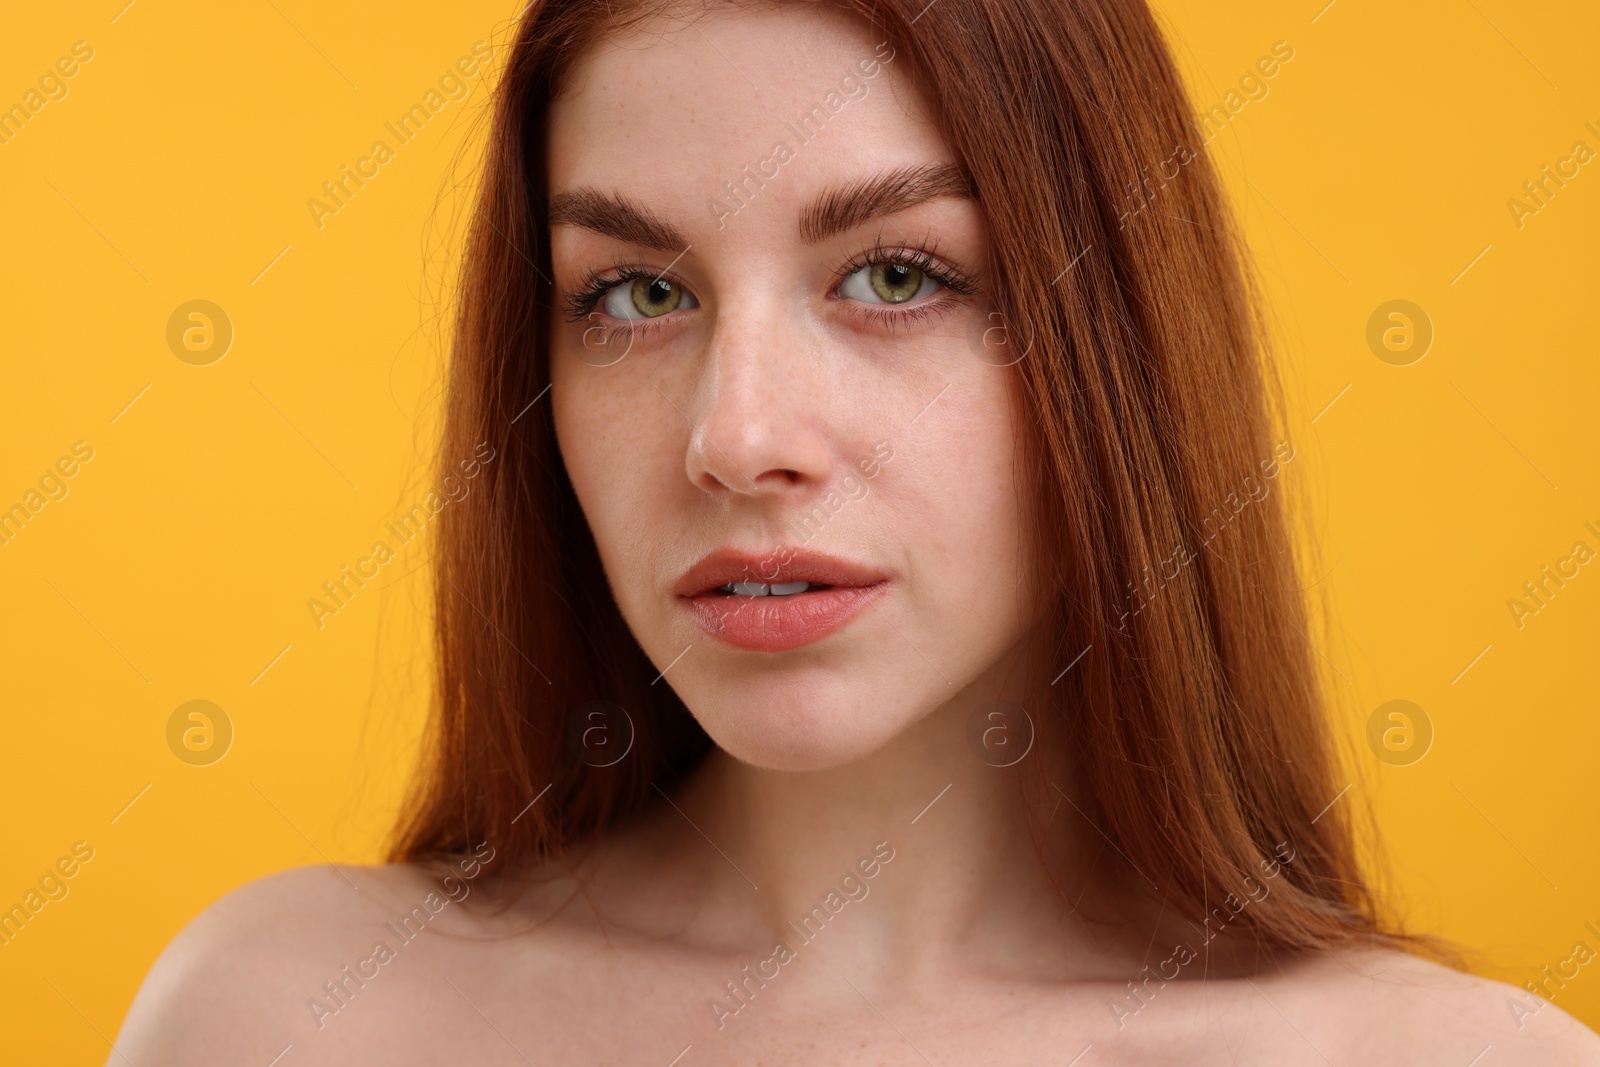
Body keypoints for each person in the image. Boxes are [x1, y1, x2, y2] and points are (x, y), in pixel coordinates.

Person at [114, 0, 1600, 1061]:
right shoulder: (283, 1017)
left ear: (1119, 340)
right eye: (636, 293)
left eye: (895, 276)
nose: (738, 438)